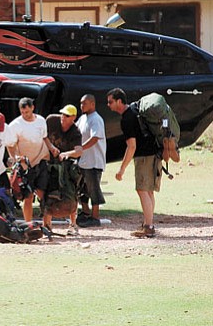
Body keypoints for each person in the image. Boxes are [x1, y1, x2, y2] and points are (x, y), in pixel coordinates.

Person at [107, 88, 161, 238]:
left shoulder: (127, 118)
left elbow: (132, 146)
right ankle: (147, 223)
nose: (108, 105)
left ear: (119, 101)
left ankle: (148, 227)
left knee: (142, 190)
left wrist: (121, 169)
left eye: (110, 102)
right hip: (155, 153)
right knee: (148, 190)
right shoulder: (135, 110)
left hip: (144, 156)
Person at [8, 97, 58, 222]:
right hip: (25, 165)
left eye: (27, 112)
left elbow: (45, 138)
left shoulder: (41, 120)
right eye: (22, 112)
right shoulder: (15, 125)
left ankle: (47, 224)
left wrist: (52, 148)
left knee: (44, 193)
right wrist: (15, 158)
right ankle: (28, 225)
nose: (25, 115)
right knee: (28, 196)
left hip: (41, 160)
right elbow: (10, 145)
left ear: (32, 108)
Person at [45, 104, 82, 232]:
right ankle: (47, 225)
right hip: (49, 162)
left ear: (73, 118)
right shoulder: (51, 120)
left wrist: (66, 154)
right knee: (48, 193)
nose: (63, 117)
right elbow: (43, 136)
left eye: (67, 116)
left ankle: (73, 224)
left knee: (71, 192)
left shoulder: (75, 132)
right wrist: (51, 148)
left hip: (66, 166)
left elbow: (79, 151)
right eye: (62, 114)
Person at [76, 94, 107, 228]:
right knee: (83, 189)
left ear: (92, 104)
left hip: (94, 161)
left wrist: (81, 148)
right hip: (83, 161)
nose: (82, 106)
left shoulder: (96, 119)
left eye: (84, 103)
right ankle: (85, 212)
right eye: (81, 103)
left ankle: (95, 217)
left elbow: (95, 138)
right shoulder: (83, 118)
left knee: (94, 189)